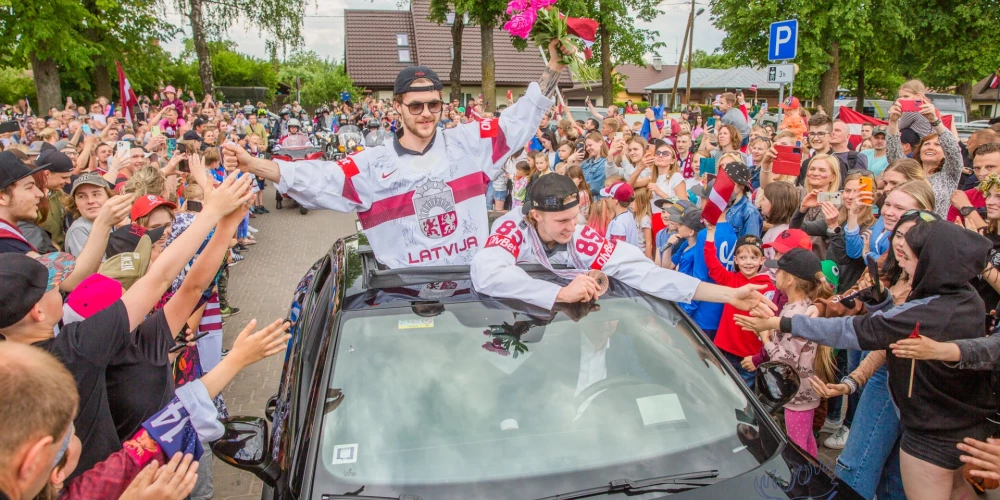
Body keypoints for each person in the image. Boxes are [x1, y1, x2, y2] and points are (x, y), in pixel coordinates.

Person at [223, 46, 571, 268]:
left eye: (434, 104)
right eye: (416, 105)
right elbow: (318, 177)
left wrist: (554, 64)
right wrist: (252, 164)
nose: (426, 113)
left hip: (469, 293)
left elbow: (520, 118)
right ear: (398, 107)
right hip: (405, 300)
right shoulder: (373, 164)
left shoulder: (468, 143)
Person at [0, 172, 251, 477]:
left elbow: (186, 288)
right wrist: (213, 214)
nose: (64, 288)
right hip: (119, 479)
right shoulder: (75, 348)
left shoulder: (15, 373)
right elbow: (163, 282)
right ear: (37, 312)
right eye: (54, 286)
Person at [737, 219, 997, 500]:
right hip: (960, 421)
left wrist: (782, 323)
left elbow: (854, 331)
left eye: (909, 259)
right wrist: (883, 302)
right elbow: (891, 323)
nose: (904, 266)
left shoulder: (928, 310)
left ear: (933, 263)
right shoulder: (968, 298)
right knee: (959, 491)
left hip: (928, 430)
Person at [471, 174, 777, 315]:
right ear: (535, 215)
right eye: (562, 221)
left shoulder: (578, 235)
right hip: (511, 316)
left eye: (575, 217)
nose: (572, 227)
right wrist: (561, 292)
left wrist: (729, 294)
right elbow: (487, 273)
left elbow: (647, 274)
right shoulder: (512, 227)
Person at [741, 248, 835, 458]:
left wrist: (765, 338)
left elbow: (786, 360)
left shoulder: (794, 313)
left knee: (797, 448)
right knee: (807, 440)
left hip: (797, 394)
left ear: (791, 280)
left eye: (779, 271)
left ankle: (803, 484)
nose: (775, 274)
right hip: (805, 391)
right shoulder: (803, 306)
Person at [704, 227, 774, 387]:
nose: (748, 262)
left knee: (744, 396)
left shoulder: (768, 287)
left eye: (753, 258)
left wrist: (760, 357)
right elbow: (713, 265)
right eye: (743, 257)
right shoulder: (731, 280)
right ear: (735, 260)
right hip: (725, 348)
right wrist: (709, 235)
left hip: (749, 355)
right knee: (723, 388)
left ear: (762, 260)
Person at [886, 99, 961, 218]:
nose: (930, 147)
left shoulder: (949, 175)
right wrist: (893, 120)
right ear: (919, 149)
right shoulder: (909, 172)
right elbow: (893, 153)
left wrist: (934, 120)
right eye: (926, 144)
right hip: (905, 228)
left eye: (937, 145)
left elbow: (953, 150)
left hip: (934, 232)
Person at [948, 143, 1000, 224]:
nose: (982, 173)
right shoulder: (963, 197)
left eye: (990, 167)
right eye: (977, 168)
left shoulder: (962, 201)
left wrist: (966, 207)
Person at [64, 173, 113, 257]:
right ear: (75, 203)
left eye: (96, 194)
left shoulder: (116, 221)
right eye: (82, 196)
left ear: (109, 197)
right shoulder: (79, 230)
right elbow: (98, 269)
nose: (90, 201)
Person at [601, 181, 639, 247]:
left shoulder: (618, 224)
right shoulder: (629, 215)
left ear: (615, 201)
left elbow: (617, 250)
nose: (607, 200)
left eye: (608, 197)